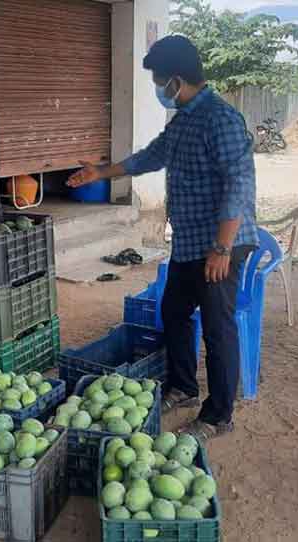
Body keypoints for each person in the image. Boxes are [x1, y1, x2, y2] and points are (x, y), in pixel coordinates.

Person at [67, 35, 258, 441]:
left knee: (217, 328)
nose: (157, 90)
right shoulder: (185, 117)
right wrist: (101, 172)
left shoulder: (220, 119)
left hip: (221, 243)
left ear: (175, 80)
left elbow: (238, 183)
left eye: (157, 81)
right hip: (191, 242)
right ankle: (184, 387)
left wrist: (222, 247)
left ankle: (218, 415)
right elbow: (151, 156)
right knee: (173, 311)